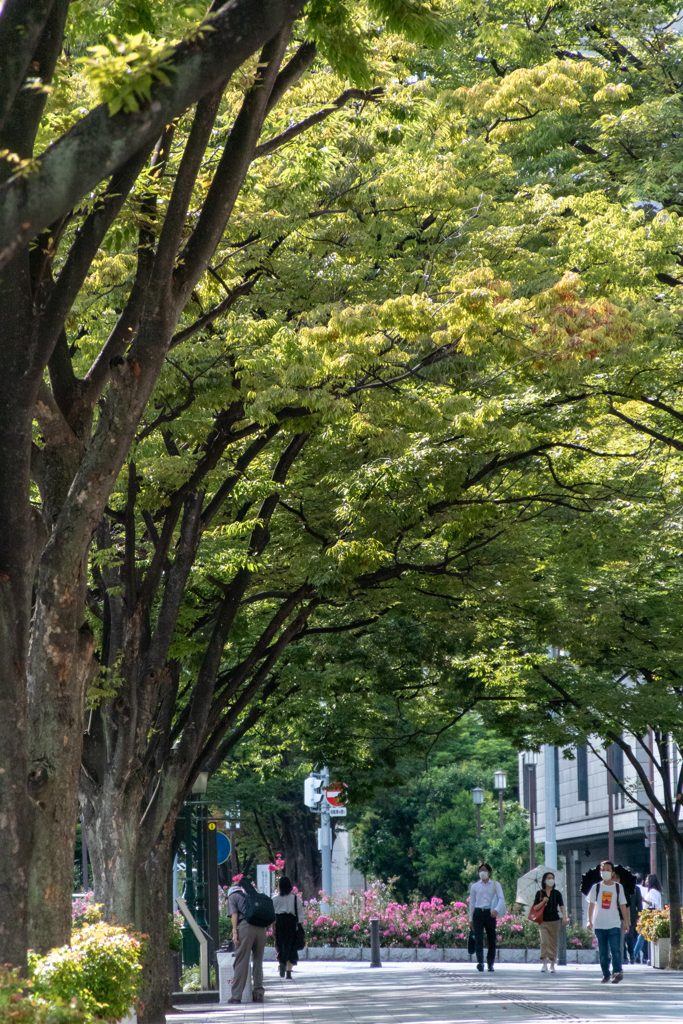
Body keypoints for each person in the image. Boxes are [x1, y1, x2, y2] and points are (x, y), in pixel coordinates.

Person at [587, 860, 630, 984]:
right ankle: (606, 973)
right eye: (603, 869)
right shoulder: (596, 887)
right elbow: (591, 905)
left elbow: (623, 905)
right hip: (599, 924)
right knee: (603, 952)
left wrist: (626, 922)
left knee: (616, 949)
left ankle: (617, 972)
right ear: (600, 872)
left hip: (614, 923)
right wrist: (589, 921)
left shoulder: (618, 887)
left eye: (608, 869)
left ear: (612, 873)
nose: (605, 872)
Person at [226, 879, 267, 1004]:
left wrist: (234, 932)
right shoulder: (249, 896)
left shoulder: (233, 897)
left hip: (246, 927)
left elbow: (234, 915)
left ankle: (236, 996)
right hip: (261, 928)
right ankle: (258, 993)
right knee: (258, 960)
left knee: (241, 960)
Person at [469, 862, 506, 972]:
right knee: (479, 939)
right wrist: (470, 919)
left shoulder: (495, 884)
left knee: (491, 939)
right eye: (480, 871)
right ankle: (480, 962)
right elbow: (472, 903)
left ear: (489, 872)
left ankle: (490, 963)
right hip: (478, 913)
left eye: (485, 870)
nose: (482, 873)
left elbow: (501, 898)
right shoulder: (475, 886)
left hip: (490, 913)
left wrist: (496, 910)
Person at [531, 870, 569, 973]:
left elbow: (561, 906)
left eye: (552, 878)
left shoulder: (557, 893)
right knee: (544, 941)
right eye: (548, 878)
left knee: (553, 942)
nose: (551, 880)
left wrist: (564, 916)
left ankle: (552, 963)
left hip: (555, 920)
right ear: (544, 880)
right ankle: (544, 963)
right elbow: (535, 907)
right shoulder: (539, 893)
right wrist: (543, 901)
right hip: (543, 920)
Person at [272, 876, 304, 979]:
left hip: (280, 923)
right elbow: (300, 914)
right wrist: (300, 928)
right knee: (291, 946)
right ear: (290, 886)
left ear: (280, 886)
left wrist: (273, 928)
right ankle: (289, 972)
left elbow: (272, 916)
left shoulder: (274, 899)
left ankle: (281, 962)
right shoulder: (295, 898)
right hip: (291, 923)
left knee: (280, 945)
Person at [633, 873, 663, 964]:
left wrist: (644, 900)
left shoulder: (653, 891)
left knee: (641, 937)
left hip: (649, 916)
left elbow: (653, 904)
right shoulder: (655, 891)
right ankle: (638, 955)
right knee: (643, 937)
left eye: (647, 879)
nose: (646, 881)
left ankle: (634, 955)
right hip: (651, 916)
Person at [624, 870, 643, 965]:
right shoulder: (620, 888)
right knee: (621, 936)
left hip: (632, 915)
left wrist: (639, 917)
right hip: (620, 915)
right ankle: (623, 956)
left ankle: (631, 955)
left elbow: (639, 905)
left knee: (630, 937)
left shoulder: (636, 889)